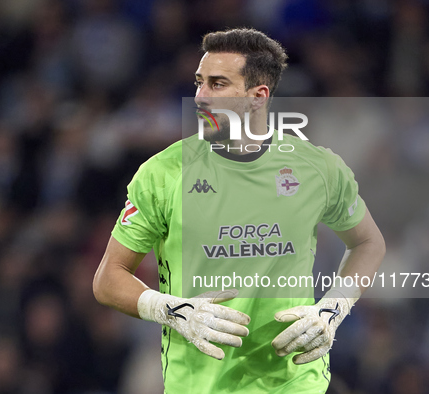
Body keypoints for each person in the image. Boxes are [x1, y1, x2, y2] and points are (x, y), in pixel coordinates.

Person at [93, 28, 385, 393]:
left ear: (257, 97)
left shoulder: (317, 168)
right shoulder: (163, 173)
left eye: (217, 85)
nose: (200, 97)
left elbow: (369, 243)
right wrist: (173, 310)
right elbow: (108, 279)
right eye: (199, 83)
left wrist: (332, 310)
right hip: (198, 383)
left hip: (294, 382)